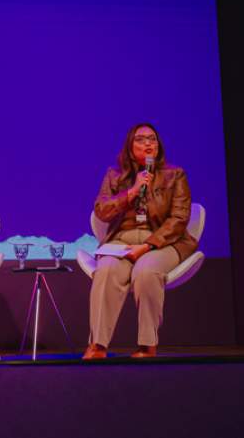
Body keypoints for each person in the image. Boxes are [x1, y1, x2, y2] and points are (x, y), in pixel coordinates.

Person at [83, 123, 197, 359]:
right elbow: (102, 210)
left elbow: (179, 218)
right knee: (106, 271)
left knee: (146, 272)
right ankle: (98, 346)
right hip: (122, 241)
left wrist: (146, 246)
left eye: (152, 139)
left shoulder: (174, 174)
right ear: (129, 146)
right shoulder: (114, 175)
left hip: (162, 242)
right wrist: (132, 191)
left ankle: (147, 345)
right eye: (141, 139)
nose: (148, 144)